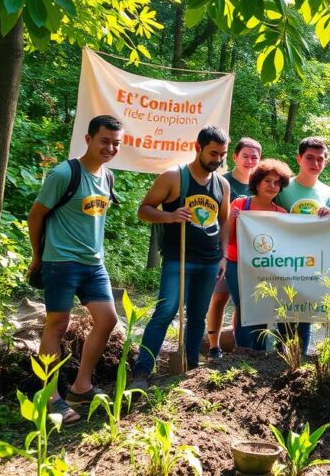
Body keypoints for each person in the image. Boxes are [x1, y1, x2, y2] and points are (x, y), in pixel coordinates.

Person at [28, 115, 123, 424]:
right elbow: (36, 216)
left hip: (94, 263)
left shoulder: (107, 177)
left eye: (116, 143)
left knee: (107, 320)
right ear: (88, 139)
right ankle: (50, 396)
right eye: (104, 141)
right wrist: (37, 257)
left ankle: (81, 387)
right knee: (57, 323)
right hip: (61, 260)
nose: (110, 147)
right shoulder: (63, 174)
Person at [132, 126, 231, 387]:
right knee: (165, 310)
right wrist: (170, 216)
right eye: (213, 153)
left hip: (210, 262)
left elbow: (224, 222)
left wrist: (223, 255)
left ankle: (189, 367)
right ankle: (142, 370)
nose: (218, 160)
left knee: (198, 315)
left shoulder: (222, 185)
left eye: (222, 154)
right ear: (197, 148)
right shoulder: (173, 177)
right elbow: (144, 210)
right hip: (179, 259)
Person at [274, 136, 330, 355]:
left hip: (313, 263)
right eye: (310, 157)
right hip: (284, 261)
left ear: (325, 163)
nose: (315, 163)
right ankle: (281, 356)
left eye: (320, 159)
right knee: (285, 310)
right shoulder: (281, 187)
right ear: (299, 158)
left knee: (306, 313)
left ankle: (301, 358)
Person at [224, 159, 291, 350]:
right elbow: (226, 238)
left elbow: (285, 245)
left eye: (277, 183)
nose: (272, 186)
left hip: (266, 269)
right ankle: (244, 353)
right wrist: (232, 219)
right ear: (257, 182)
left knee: (261, 308)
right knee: (245, 308)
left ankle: (260, 353)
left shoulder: (281, 214)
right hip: (237, 265)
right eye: (268, 181)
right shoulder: (240, 205)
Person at [206, 138, 262, 359]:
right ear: (235, 157)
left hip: (251, 255)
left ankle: (239, 345)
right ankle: (213, 345)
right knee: (219, 298)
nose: (250, 161)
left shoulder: (261, 183)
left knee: (243, 301)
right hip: (224, 252)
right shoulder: (221, 181)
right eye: (246, 156)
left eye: (255, 157)